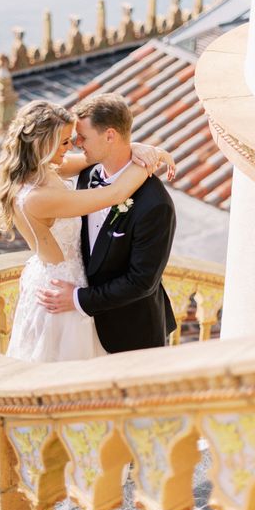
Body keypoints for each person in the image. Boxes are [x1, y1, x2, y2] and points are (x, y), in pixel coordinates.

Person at [0, 99, 174, 363]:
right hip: (60, 289)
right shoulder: (36, 197)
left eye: (76, 138)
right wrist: (152, 160)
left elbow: (107, 153)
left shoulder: (43, 168)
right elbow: (116, 193)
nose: (73, 145)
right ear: (45, 144)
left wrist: (140, 148)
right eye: (65, 141)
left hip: (76, 289)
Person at [37, 93, 177, 353]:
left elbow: (141, 282)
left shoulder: (155, 204)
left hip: (131, 333)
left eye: (83, 137)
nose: (77, 144)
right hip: (80, 329)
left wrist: (78, 299)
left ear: (110, 136)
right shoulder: (87, 174)